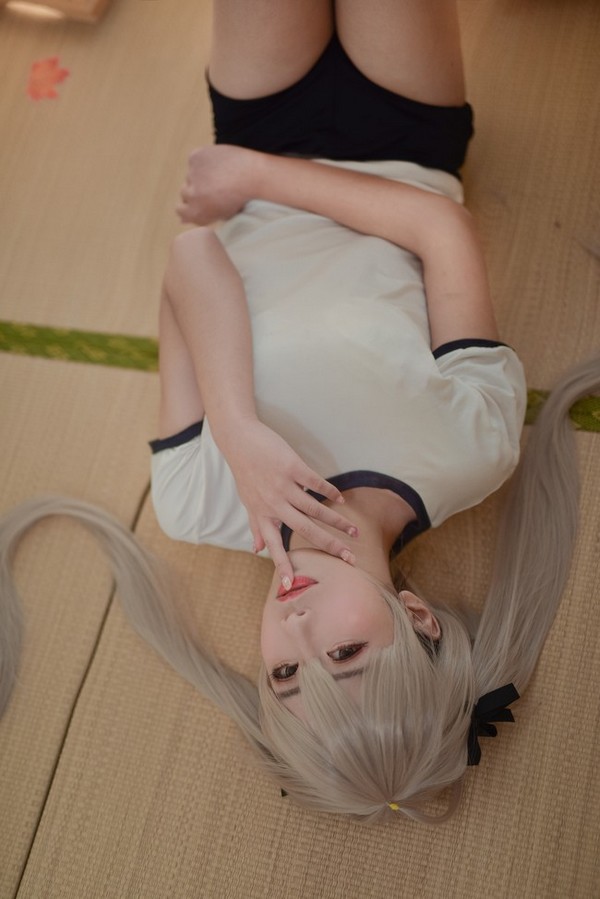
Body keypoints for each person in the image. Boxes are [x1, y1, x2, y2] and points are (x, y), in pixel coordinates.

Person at [1, 1, 598, 824]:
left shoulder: (198, 502)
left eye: (283, 672)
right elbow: (439, 228)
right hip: (405, 141)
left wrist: (238, 428)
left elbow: (192, 256)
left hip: (263, 127)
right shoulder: (474, 452)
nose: (298, 628)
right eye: (345, 652)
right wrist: (256, 178)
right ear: (416, 618)